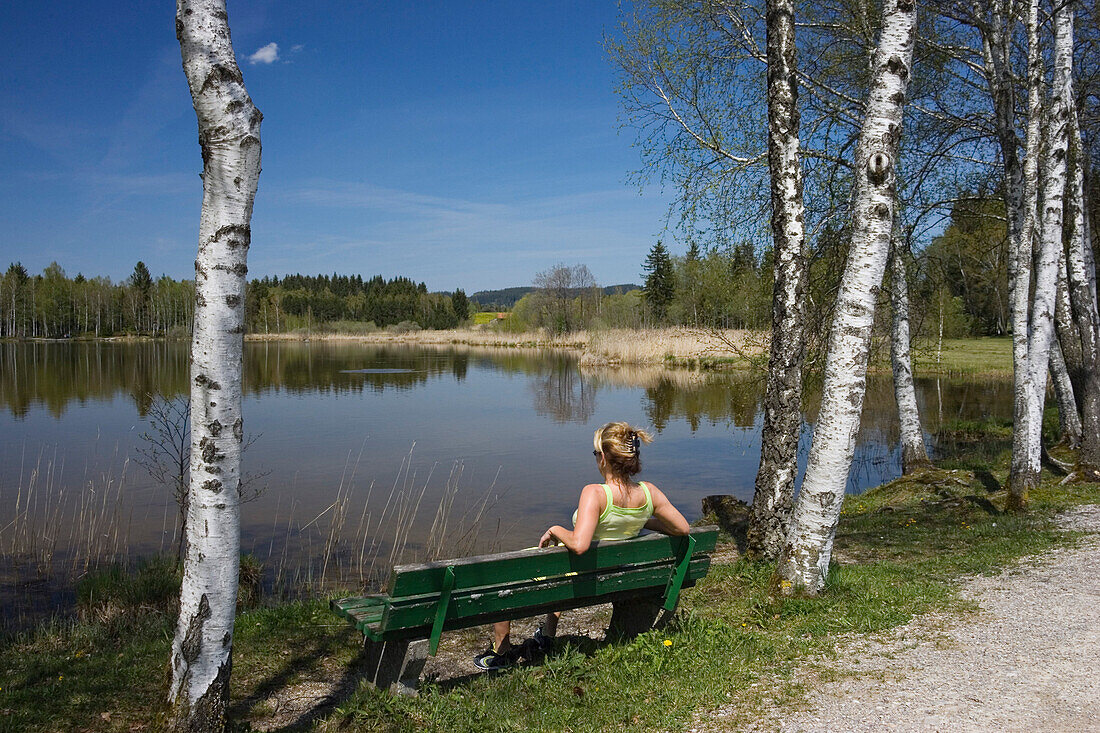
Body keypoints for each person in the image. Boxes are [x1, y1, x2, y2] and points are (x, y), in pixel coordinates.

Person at [473, 421, 690, 671]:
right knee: (559, 565)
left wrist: (556, 529)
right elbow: (682, 528)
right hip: (617, 574)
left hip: (583, 575)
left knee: (505, 573)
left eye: (596, 453)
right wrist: (642, 520)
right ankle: (547, 637)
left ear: (605, 458)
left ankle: (501, 652)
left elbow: (578, 545)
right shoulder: (649, 492)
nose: (595, 458)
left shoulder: (595, 493)